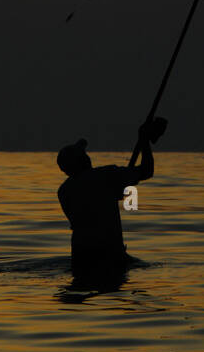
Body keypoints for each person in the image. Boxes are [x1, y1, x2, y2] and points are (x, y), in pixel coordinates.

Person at [56, 117, 166, 279]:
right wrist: (144, 141)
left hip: (81, 257)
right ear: (84, 160)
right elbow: (147, 171)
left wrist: (116, 189)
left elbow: (92, 203)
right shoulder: (106, 176)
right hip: (111, 254)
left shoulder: (64, 191)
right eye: (84, 155)